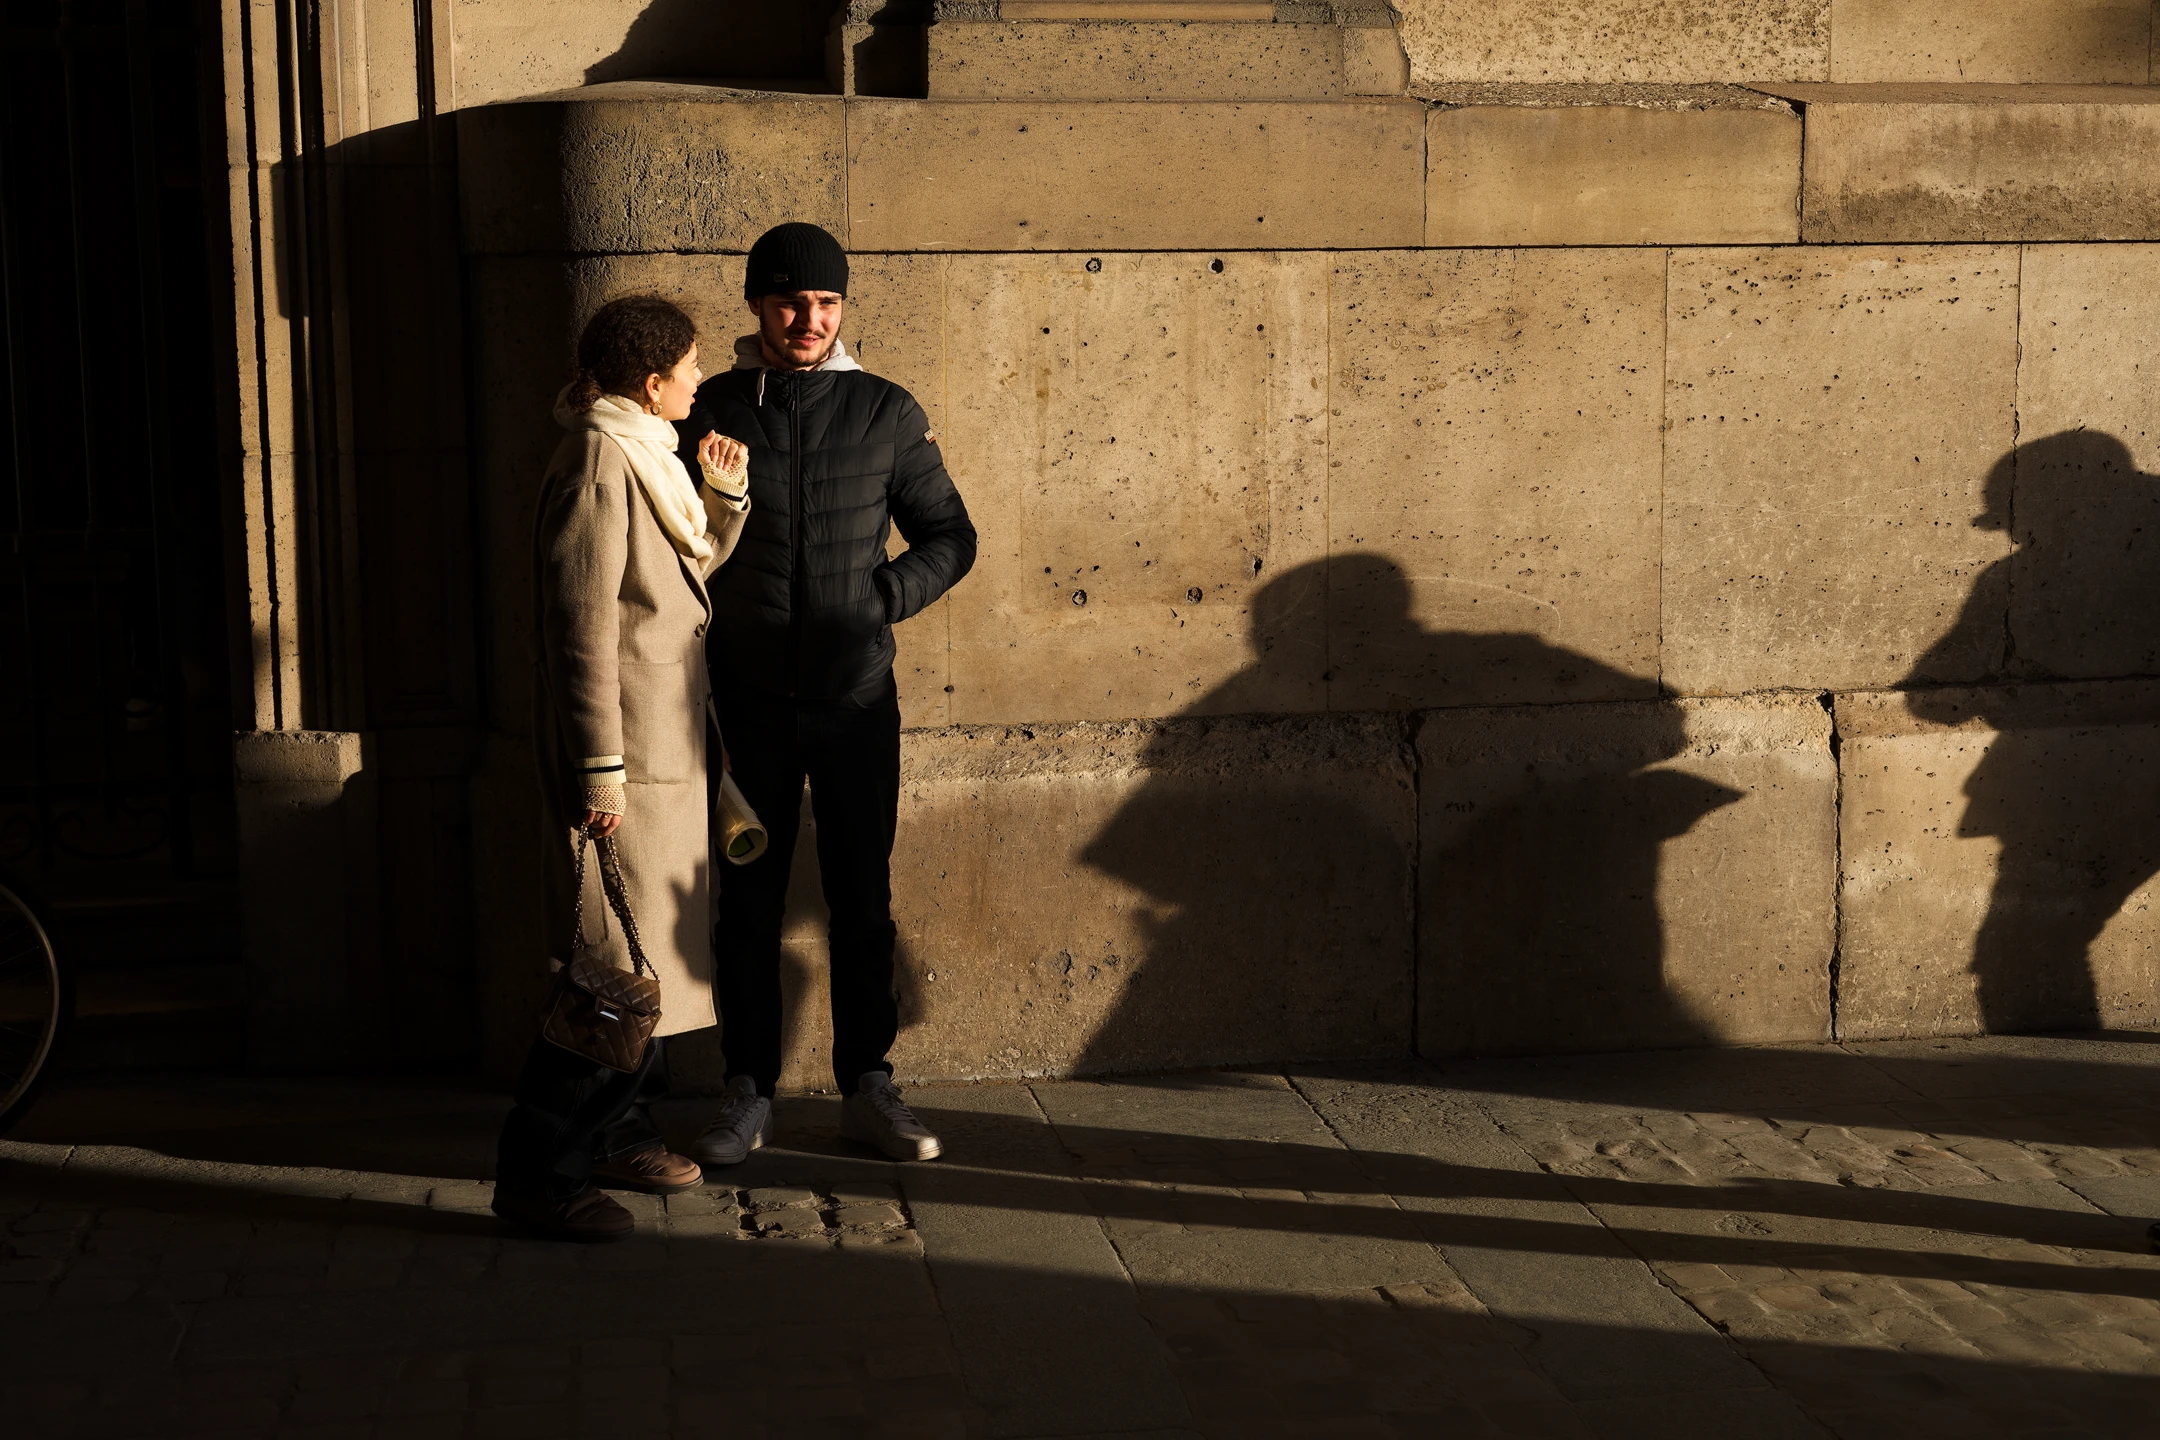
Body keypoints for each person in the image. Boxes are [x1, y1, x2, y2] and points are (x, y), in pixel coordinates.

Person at [675, 222, 976, 1165]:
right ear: (759, 304)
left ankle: (870, 1086)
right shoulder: (711, 406)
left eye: (827, 303)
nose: (810, 319)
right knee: (747, 902)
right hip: (744, 704)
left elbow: (949, 537)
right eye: (791, 302)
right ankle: (747, 1092)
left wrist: (874, 602)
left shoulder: (884, 410)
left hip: (854, 701)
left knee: (861, 895)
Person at [493, 295, 754, 1242]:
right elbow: (580, 628)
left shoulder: (645, 454)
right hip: (628, 764)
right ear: (653, 382)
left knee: (644, 976)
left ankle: (613, 1135)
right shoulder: (604, 461)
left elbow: (676, 585)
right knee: (607, 981)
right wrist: (600, 771)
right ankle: (538, 1176)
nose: (698, 379)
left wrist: (722, 507)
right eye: (687, 367)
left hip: (667, 752)